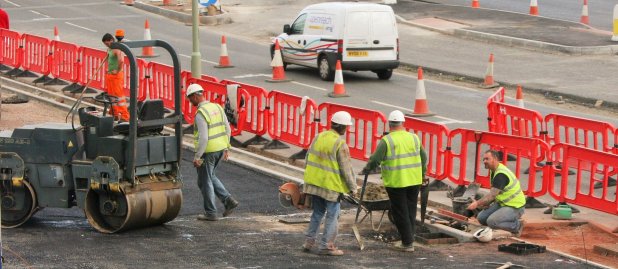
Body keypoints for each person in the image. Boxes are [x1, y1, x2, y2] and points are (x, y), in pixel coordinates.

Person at [362, 110, 427, 252]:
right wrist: (422, 174)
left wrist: (367, 168)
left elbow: (375, 159)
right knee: (410, 209)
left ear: (389, 125)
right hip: (414, 180)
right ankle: (410, 238)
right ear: (403, 123)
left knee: (400, 212)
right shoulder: (414, 138)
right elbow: (424, 157)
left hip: (397, 182)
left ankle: (407, 243)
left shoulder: (387, 140)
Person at [302, 111, 357, 256]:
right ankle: (326, 246)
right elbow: (346, 168)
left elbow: (307, 158)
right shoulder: (340, 143)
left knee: (317, 212)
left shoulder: (319, 136)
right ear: (343, 127)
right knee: (333, 215)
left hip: (314, 183)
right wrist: (353, 188)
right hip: (330, 186)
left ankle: (309, 242)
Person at [186, 83, 239, 221]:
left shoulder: (201, 113)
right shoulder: (217, 107)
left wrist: (197, 156)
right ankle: (228, 201)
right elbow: (227, 129)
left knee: (205, 180)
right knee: (209, 177)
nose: (189, 101)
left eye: (190, 98)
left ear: (196, 96)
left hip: (208, 151)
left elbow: (203, 137)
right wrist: (227, 147)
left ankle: (210, 212)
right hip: (220, 149)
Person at [467, 150, 526, 237]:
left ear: (494, 159)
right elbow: (496, 193)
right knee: (481, 218)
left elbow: (492, 195)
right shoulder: (494, 170)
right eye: (484, 159)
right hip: (503, 203)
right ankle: (505, 220)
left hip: (515, 206)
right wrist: (486, 203)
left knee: (492, 222)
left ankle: (516, 226)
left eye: (487, 159)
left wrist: (477, 203)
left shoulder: (500, 175)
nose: (484, 161)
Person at [102, 33, 130, 122]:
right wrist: (109, 69)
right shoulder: (110, 49)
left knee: (118, 96)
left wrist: (117, 71)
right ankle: (115, 113)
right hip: (111, 75)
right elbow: (109, 59)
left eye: (107, 43)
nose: (106, 45)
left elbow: (121, 61)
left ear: (111, 40)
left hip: (116, 76)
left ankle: (125, 116)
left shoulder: (116, 49)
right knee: (112, 96)